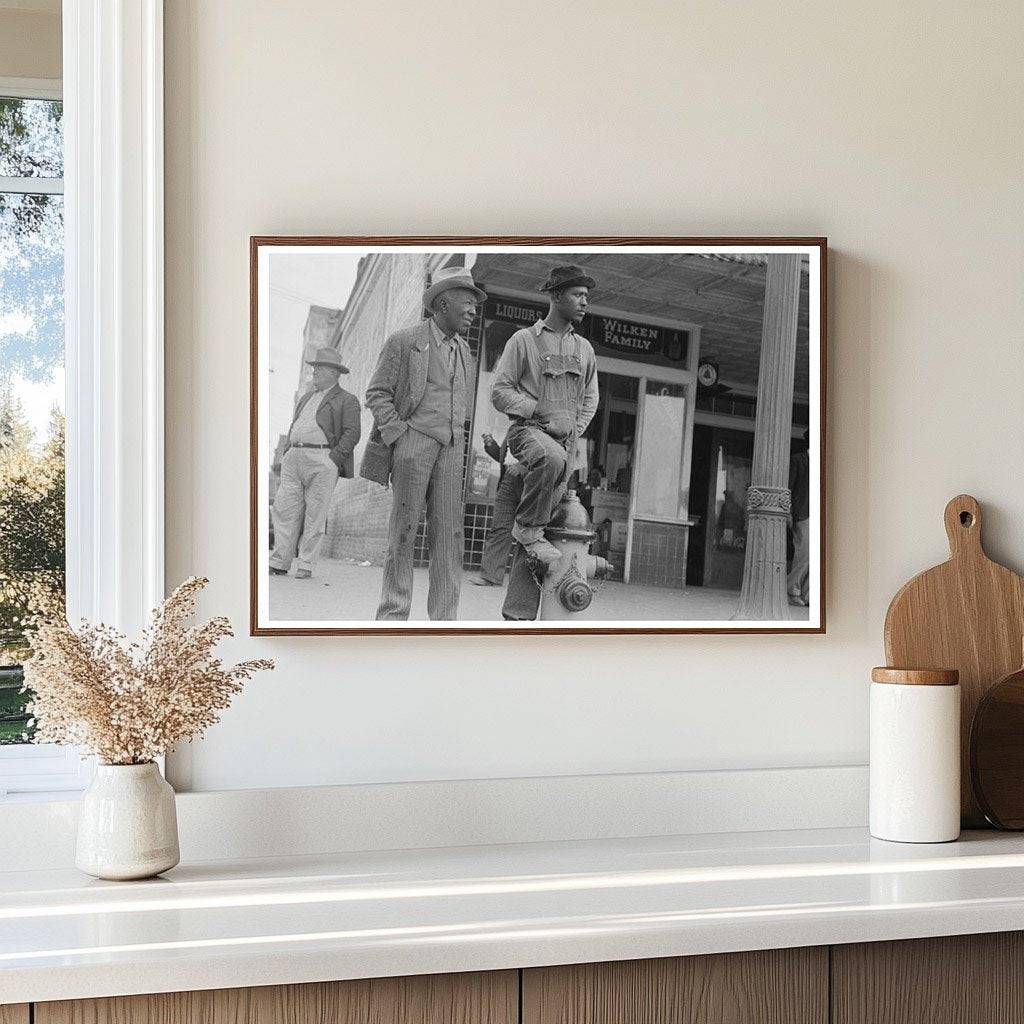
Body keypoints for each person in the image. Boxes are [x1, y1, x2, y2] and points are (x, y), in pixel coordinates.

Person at [364, 265, 483, 620]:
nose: (473, 312)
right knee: (403, 532)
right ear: (443, 303)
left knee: (449, 539)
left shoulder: (465, 352)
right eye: (467, 304)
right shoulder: (404, 341)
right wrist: (399, 434)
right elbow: (377, 393)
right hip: (412, 444)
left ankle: (445, 619)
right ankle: (393, 614)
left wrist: (458, 444)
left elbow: (459, 404)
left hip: (450, 451)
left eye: (476, 306)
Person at [490, 265, 600, 620]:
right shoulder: (523, 340)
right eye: (577, 295)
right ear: (555, 296)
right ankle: (527, 530)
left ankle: (518, 615)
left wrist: (572, 429)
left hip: (562, 448)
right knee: (533, 522)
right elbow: (499, 391)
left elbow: (591, 399)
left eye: (586, 296)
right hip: (527, 436)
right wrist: (538, 412)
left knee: (540, 534)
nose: (585, 302)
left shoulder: (584, 349)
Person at [269, 347, 360, 579]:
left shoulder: (347, 400)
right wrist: (287, 450)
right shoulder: (307, 396)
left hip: (322, 460)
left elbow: (352, 433)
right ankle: (279, 562)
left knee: (315, 514)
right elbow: (295, 424)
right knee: (284, 509)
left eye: (319, 368)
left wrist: (333, 459)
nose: (314, 372)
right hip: (294, 458)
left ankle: (306, 564)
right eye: (315, 367)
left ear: (333, 372)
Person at [471, 433, 524, 587]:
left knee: (530, 532)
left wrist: (522, 467)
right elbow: (504, 457)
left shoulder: (539, 426)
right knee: (500, 528)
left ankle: (526, 583)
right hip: (508, 480)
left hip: (530, 483)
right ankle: (490, 575)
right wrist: (491, 446)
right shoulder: (514, 428)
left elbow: (546, 457)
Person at [787, 430, 811, 606]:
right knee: (805, 554)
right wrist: (788, 512)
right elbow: (789, 488)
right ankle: (791, 590)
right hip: (804, 514)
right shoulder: (798, 460)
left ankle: (808, 594)